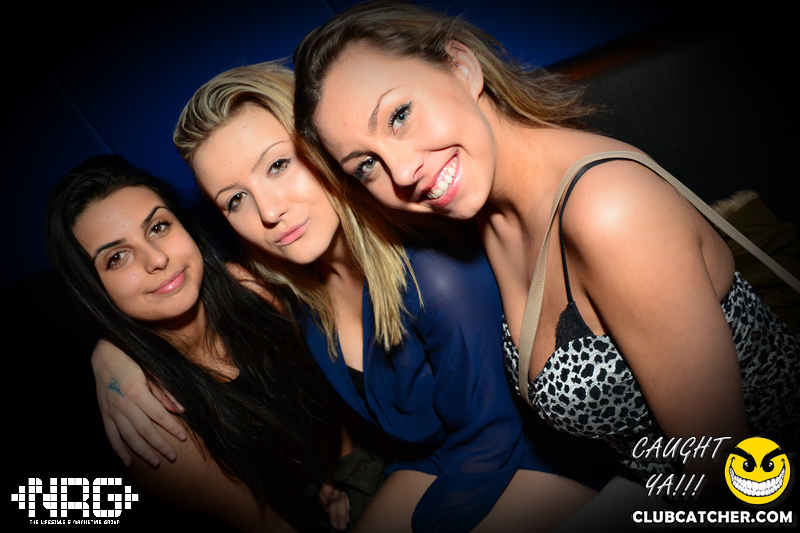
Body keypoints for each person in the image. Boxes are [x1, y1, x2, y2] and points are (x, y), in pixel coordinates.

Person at [292, 0, 800, 505]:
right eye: (365, 165)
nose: (402, 172)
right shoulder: (486, 215)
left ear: (462, 67)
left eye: (400, 115)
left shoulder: (609, 211)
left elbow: (724, 472)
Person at [91, 61, 602, 533]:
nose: (268, 212)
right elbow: (180, 289)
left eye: (278, 165)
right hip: (429, 458)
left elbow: (491, 436)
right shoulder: (288, 285)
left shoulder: (433, 272)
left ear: (324, 147)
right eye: (236, 199)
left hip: (520, 456)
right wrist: (110, 353)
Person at [45, 155, 345, 532]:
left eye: (158, 227)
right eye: (117, 257)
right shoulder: (151, 419)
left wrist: (342, 477)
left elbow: (331, 402)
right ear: (94, 290)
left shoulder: (248, 287)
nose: (157, 259)